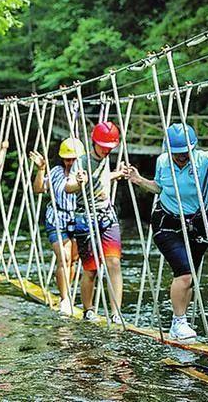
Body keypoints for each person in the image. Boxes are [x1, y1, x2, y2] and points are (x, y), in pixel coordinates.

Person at [126, 123, 208, 341]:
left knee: (190, 278)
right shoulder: (163, 161)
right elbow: (160, 188)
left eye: (185, 153)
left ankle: (179, 322)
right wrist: (139, 180)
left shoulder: (205, 161)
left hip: (197, 224)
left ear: (194, 148)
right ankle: (179, 322)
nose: (181, 158)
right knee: (185, 273)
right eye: (177, 154)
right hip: (166, 222)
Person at [65, 121, 127, 324]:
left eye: (111, 148)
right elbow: (69, 187)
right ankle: (89, 309)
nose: (107, 151)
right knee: (91, 269)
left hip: (107, 216)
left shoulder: (106, 157)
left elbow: (101, 177)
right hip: (85, 218)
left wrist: (117, 174)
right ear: (94, 143)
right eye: (104, 147)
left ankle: (116, 312)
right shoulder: (81, 162)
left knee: (114, 263)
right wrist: (79, 182)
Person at [30, 137, 85, 316]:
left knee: (74, 260)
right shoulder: (56, 172)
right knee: (64, 258)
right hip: (56, 218)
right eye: (67, 159)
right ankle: (64, 299)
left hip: (77, 220)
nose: (70, 162)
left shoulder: (85, 174)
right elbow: (38, 189)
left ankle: (68, 291)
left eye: (73, 159)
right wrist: (41, 169)